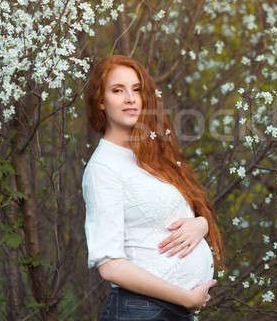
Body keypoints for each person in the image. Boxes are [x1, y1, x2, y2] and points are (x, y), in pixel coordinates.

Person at [81, 55, 224, 320]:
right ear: (101, 102)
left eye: (136, 90)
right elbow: (110, 266)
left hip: (164, 311)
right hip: (141, 311)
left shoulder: (150, 156)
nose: (130, 98)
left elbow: (171, 214)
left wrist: (201, 223)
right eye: (117, 90)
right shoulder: (103, 169)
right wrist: (186, 298)